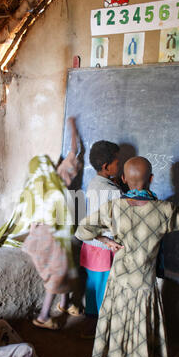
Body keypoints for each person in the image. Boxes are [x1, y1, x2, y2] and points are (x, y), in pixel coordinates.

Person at [75, 156, 179, 357]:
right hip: (143, 282)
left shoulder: (114, 207)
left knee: (118, 322)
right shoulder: (164, 210)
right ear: (152, 179)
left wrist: (105, 240)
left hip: (119, 278)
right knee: (141, 328)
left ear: (123, 179)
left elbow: (82, 230)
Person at [0, 118, 82, 331]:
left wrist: (72, 128)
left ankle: (64, 303)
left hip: (54, 236)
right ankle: (43, 316)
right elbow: (74, 152)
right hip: (47, 239)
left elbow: (74, 151)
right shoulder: (53, 181)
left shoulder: (41, 185)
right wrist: (72, 129)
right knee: (58, 272)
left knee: (66, 267)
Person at [79, 140, 123, 338]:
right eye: (117, 162)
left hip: (90, 245)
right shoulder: (114, 192)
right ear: (106, 166)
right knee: (104, 292)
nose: (120, 165)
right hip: (105, 246)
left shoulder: (93, 182)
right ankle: (103, 333)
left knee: (93, 288)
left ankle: (90, 326)